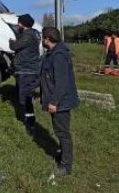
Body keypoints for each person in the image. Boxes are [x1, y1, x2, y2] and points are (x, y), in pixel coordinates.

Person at [40, 26, 79, 177]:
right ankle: (63, 154)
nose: (42, 41)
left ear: (48, 39)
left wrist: (54, 102)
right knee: (59, 131)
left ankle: (66, 167)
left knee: (63, 133)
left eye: (43, 38)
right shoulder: (52, 53)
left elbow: (61, 83)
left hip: (61, 102)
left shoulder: (59, 56)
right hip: (57, 100)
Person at [8, 14, 41, 135]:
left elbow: (15, 46)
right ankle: (27, 119)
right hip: (27, 70)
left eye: (19, 23)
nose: (17, 25)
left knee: (25, 99)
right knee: (22, 95)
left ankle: (30, 124)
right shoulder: (34, 33)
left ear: (23, 24)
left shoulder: (28, 35)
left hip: (27, 71)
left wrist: (11, 41)